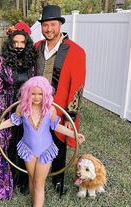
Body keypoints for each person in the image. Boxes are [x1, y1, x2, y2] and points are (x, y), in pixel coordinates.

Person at [0, 76, 85, 207]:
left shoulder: (50, 109)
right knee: (31, 178)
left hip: (44, 151)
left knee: (39, 183)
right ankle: (36, 204)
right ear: (28, 93)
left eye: (40, 94)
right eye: (33, 94)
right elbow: (13, 121)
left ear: (46, 94)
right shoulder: (23, 107)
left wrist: (73, 133)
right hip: (28, 149)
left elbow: (57, 127)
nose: (36, 97)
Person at [0, 22, 37, 200]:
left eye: (22, 42)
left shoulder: (30, 60)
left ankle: (22, 180)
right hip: (7, 105)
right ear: (10, 42)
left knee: (25, 142)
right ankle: (0, 184)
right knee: (3, 142)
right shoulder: (0, 60)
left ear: (27, 43)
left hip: (25, 106)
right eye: (15, 42)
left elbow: (33, 85)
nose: (19, 46)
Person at [35, 5, 86, 194]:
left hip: (59, 105)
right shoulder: (37, 47)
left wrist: (70, 113)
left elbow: (78, 85)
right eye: (45, 25)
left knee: (58, 142)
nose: (49, 29)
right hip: (37, 104)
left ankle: (57, 178)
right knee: (36, 138)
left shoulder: (75, 51)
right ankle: (36, 172)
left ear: (60, 25)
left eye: (53, 25)